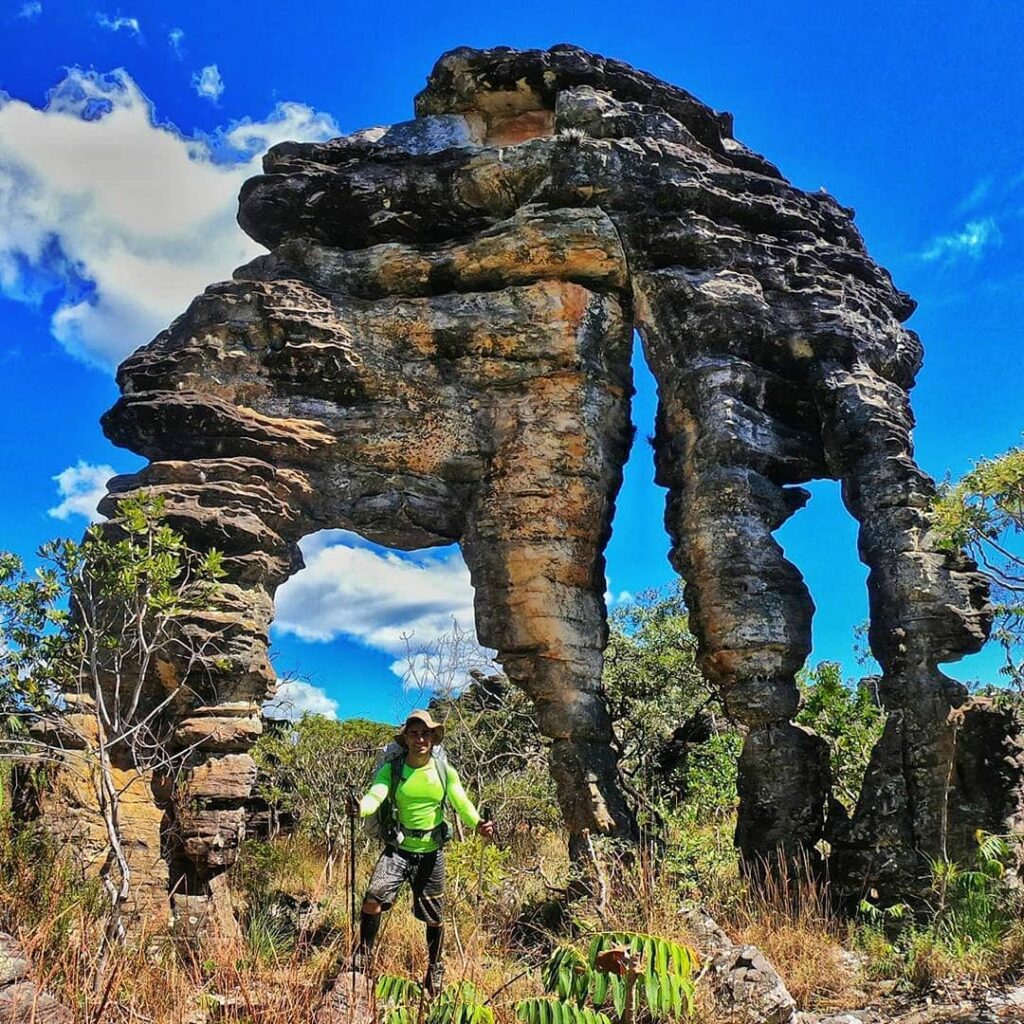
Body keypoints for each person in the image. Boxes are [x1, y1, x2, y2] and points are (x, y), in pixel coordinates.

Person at [346, 709, 495, 994]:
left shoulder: (443, 771)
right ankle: (363, 953)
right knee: (372, 899)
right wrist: (360, 808)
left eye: (425, 733)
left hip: (431, 852)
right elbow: (376, 794)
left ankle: (434, 968)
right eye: (414, 733)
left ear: (433, 737)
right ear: (406, 738)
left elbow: (461, 801)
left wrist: (478, 823)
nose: (420, 739)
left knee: (434, 917)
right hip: (398, 849)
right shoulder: (393, 769)